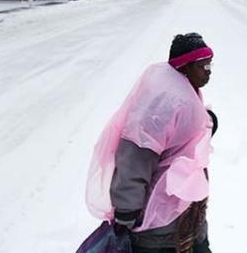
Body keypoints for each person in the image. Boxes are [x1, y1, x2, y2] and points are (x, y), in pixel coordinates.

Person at [86, 33, 216, 253]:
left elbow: (185, 129)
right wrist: (127, 211)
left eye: (210, 64)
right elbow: (134, 157)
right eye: (203, 66)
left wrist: (210, 121)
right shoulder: (159, 107)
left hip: (188, 215)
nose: (209, 71)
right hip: (161, 228)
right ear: (185, 67)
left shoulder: (183, 90)